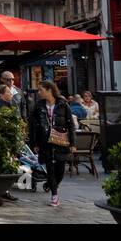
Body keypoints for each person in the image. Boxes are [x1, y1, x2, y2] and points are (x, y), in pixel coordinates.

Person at [30, 80, 75, 208]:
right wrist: (34, 143)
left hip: (61, 141)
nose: (39, 93)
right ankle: (54, 196)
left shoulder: (63, 104)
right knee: (50, 169)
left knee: (60, 170)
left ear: (49, 90)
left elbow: (70, 124)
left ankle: (50, 185)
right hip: (45, 141)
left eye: (41, 90)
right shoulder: (38, 106)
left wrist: (72, 142)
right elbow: (33, 126)